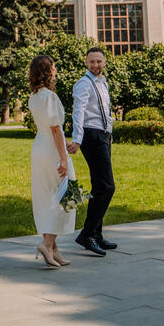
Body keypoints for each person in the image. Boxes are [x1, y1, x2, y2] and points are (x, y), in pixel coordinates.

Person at [68, 45, 117, 256]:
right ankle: (87, 234)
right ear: (86, 63)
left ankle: (96, 234)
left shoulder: (103, 83)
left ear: (104, 62)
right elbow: (78, 112)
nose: (95, 65)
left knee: (99, 186)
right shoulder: (84, 84)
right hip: (91, 136)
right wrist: (77, 139)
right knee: (107, 187)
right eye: (91, 61)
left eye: (99, 61)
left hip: (103, 136)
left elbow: (105, 112)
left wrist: (109, 134)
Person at [28, 54, 75, 268]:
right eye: (53, 67)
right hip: (51, 150)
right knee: (66, 195)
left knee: (48, 196)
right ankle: (47, 244)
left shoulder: (34, 96)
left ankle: (54, 249)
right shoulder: (50, 97)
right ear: (47, 71)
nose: (55, 71)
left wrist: (64, 145)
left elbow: (48, 128)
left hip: (40, 146)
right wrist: (63, 158)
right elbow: (55, 129)